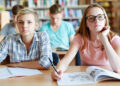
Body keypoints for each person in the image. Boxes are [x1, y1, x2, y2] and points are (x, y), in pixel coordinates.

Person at [51, 3, 120, 80]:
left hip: (107, 79)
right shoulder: (79, 38)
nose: (96, 21)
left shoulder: (115, 39)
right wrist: (57, 70)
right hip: (87, 78)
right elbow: (66, 61)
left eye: (100, 17)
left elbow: (118, 68)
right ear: (86, 23)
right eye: (91, 18)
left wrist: (104, 40)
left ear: (105, 20)